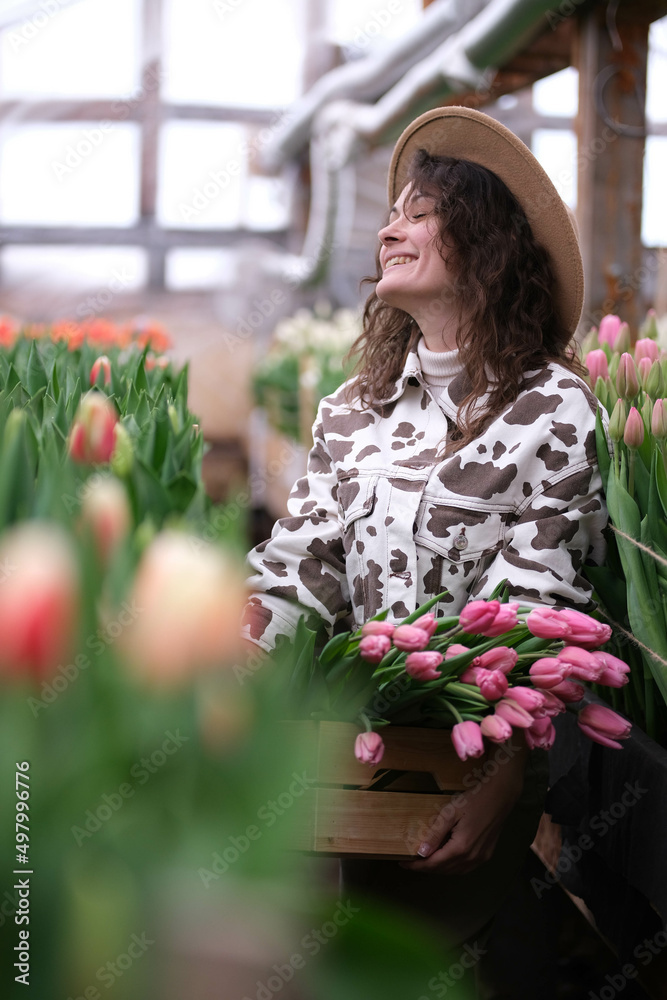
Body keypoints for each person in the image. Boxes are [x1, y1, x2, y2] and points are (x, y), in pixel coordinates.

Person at [241, 106, 607, 988]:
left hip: (478, 776)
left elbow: (539, 612)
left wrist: (499, 787)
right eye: (388, 210)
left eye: (418, 209)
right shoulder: (350, 410)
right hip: (353, 771)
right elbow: (302, 571)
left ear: (483, 239)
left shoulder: (550, 412)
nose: (387, 226)